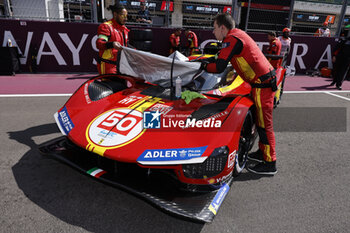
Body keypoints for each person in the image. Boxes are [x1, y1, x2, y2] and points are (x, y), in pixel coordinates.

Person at [200, 13, 277, 175]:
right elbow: (222, 57)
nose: (213, 32)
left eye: (214, 29)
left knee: (264, 126)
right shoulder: (237, 34)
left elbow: (220, 66)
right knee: (260, 121)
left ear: (223, 28)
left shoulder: (231, 39)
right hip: (261, 83)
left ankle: (270, 163)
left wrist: (204, 67)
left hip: (263, 86)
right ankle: (263, 152)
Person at [96, 3, 129, 74]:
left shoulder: (125, 29)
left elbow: (126, 45)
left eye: (126, 16)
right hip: (108, 66)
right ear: (115, 14)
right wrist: (112, 44)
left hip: (122, 67)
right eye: (123, 15)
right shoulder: (106, 27)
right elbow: (99, 44)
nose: (126, 18)